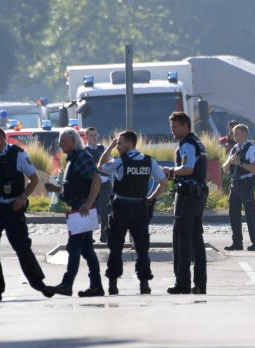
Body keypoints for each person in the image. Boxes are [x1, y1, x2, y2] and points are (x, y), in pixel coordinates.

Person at [0, 127, 54, 302]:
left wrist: (22, 198)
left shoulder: (18, 155)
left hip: (13, 208)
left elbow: (34, 179)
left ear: (2, 139)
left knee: (22, 247)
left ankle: (40, 285)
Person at [98, 130, 170, 295]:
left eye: (120, 143)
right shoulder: (149, 161)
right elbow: (164, 182)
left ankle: (113, 284)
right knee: (142, 248)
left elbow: (100, 166)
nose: (117, 147)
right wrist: (151, 199)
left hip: (121, 207)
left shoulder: (120, 162)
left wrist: (108, 147)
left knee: (116, 247)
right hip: (140, 207)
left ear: (129, 144)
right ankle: (144, 284)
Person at [44, 128, 104, 297]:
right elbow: (75, 186)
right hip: (78, 209)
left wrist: (88, 203)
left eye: (63, 141)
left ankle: (67, 284)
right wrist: (56, 188)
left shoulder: (82, 156)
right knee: (86, 249)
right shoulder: (73, 159)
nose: (60, 144)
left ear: (73, 141)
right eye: (60, 141)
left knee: (75, 247)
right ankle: (96, 286)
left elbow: (96, 179)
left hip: (83, 210)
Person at [164, 112, 209, 295]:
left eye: (175, 127)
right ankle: (200, 284)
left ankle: (182, 282)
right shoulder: (197, 142)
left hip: (188, 195)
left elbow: (188, 168)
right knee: (196, 240)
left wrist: (171, 171)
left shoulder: (188, 144)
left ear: (185, 126)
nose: (172, 131)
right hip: (197, 194)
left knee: (181, 238)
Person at [222, 124, 255, 251]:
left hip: (246, 184)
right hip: (235, 185)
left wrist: (240, 163)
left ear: (245, 135)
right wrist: (230, 161)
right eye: (234, 134)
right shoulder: (234, 149)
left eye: (237, 133)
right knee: (233, 214)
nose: (234, 136)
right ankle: (237, 242)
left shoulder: (252, 148)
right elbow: (225, 169)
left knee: (250, 214)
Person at [84, 127, 111, 243]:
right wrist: (99, 165)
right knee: (91, 211)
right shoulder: (84, 151)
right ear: (86, 137)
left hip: (104, 183)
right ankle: (89, 237)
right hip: (90, 185)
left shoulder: (103, 149)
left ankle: (104, 236)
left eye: (95, 135)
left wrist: (99, 165)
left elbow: (110, 163)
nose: (95, 137)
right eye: (92, 135)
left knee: (105, 211)